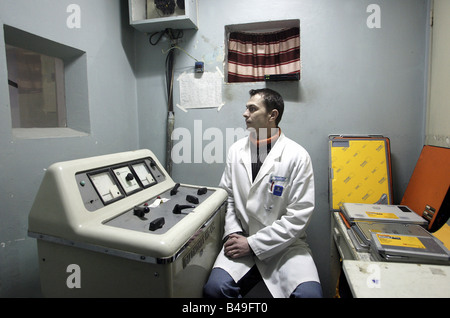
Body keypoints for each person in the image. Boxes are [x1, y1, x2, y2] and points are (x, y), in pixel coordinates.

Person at [203, 88, 322, 298]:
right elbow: (227, 197)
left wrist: (254, 244)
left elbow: (299, 215)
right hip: (242, 237)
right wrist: (234, 233)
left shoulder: (297, 156)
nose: (245, 113)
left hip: (285, 246)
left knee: (309, 296)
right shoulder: (236, 151)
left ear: (272, 115)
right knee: (215, 290)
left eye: (252, 108)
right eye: (246, 108)